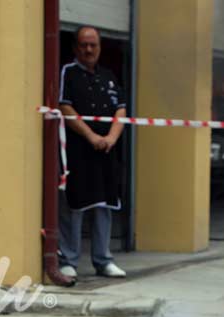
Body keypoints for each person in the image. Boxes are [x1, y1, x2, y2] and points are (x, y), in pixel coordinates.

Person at [58, 26, 128, 281]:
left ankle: (103, 260)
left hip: (106, 153)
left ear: (99, 47)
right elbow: (64, 106)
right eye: (84, 45)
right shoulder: (68, 72)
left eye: (93, 45)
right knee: (74, 205)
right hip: (77, 153)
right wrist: (91, 136)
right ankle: (68, 261)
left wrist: (110, 138)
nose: (89, 50)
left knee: (104, 205)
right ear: (76, 47)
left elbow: (121, 111)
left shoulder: (109, 76)